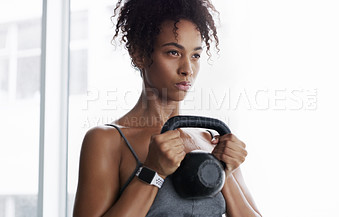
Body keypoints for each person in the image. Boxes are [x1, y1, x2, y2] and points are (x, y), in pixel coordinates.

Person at [73, 0, 261, 216]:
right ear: (139, 54)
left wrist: (223, 173)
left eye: (195, 55)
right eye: (173, 52)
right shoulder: (106, 140)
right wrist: (153, 171)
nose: (187, 69)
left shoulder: (213, 140)